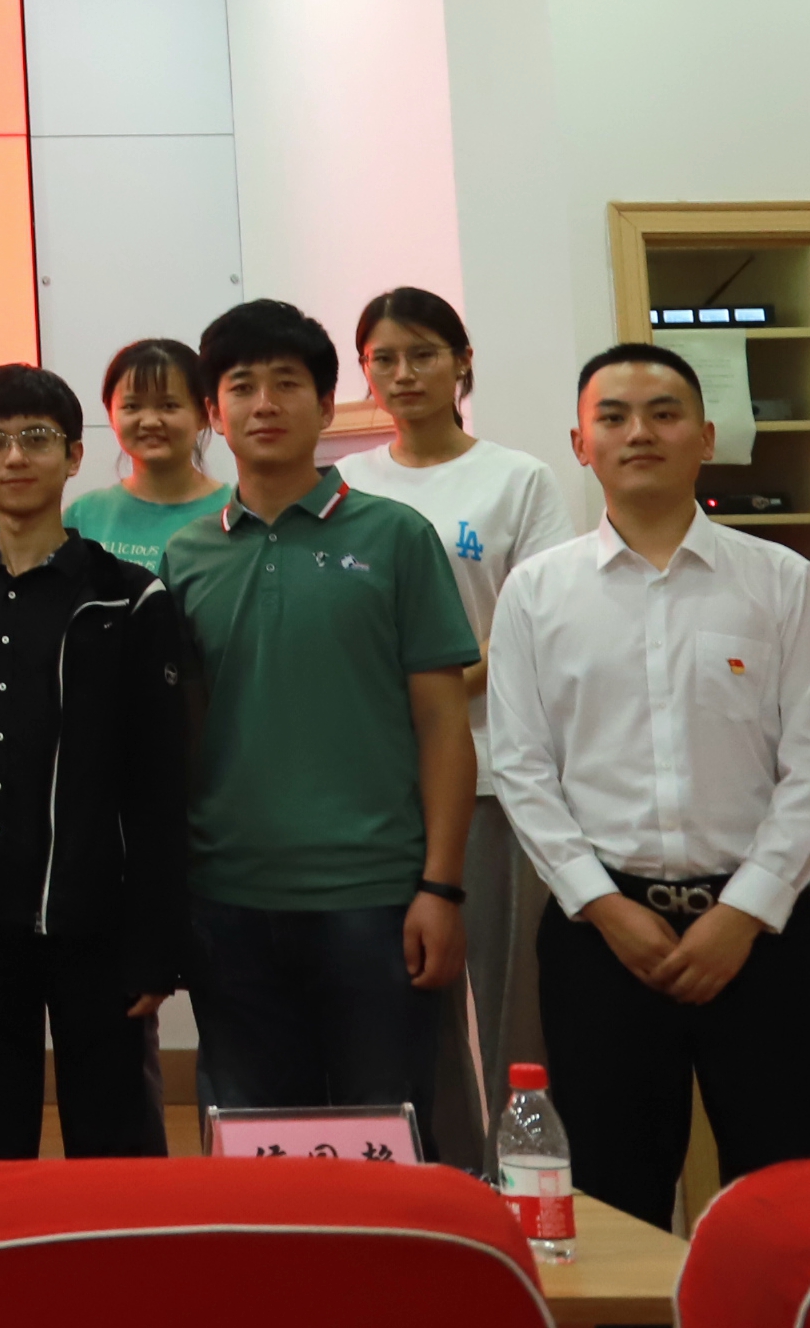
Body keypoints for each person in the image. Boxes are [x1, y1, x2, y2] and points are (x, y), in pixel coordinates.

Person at [492, 344, 810, 1228]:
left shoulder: (784, 583)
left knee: (784, 1190)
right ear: (580, 443)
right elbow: (522, 767)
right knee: (610, 1194)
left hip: (767, 936)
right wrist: (603, 907)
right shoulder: (536, 593)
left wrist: (744, 911)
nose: (640, 432)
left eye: (665, 414)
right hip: (602, 939)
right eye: (614, 416)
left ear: (705, 437)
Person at [166, 299, 476, 1140]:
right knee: (254, 1149)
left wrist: (440, 887)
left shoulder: (397, 536)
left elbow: (444, 725)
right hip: (228, 901)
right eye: (242, 386)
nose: (264, 403)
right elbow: (178, 738)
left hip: (375, 901)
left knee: (386, 1141)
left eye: (288, 383)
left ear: (327, 405)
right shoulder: (186, 556)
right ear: (213, 412)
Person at [336, 285, 578, 1160]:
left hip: (489, 770)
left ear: (462, 362)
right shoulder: (348, 485)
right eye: (384, 359)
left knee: (511, 996)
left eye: (423, 354)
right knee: (408, 994)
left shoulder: (518, 479)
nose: (404, 374)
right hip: (380, 779)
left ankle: (522, 1177)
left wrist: (430, 691)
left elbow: (534, 622)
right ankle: (440, 1179)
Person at [0, 363, 186, 1160]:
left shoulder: (128, 598)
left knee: (114, 1147)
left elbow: (161, 781)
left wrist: (157, 938)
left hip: (95, 921)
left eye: (37, 439)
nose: (15, 457)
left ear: (75, 456)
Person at [63, 337, 229, 572]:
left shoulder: (233, 513)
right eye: (132, 406)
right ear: (111, 415)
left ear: (203, 414)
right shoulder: (83, 516)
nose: (150, 422)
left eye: (168, 405)